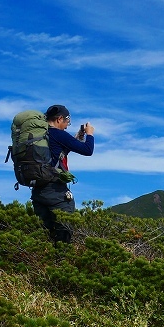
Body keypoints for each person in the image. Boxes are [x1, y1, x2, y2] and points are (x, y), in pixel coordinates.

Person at [31, 104, 95, 243]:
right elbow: (88, 150)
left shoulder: (41, 135)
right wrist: (89, 134)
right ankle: (62, 262)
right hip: (55, 191)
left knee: (43, 235)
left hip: (37, 190)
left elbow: (57, 154)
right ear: (60, 119)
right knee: (64, 232)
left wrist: (77, 137)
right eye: (67, 122)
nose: (66, 126)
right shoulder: (57, 134)